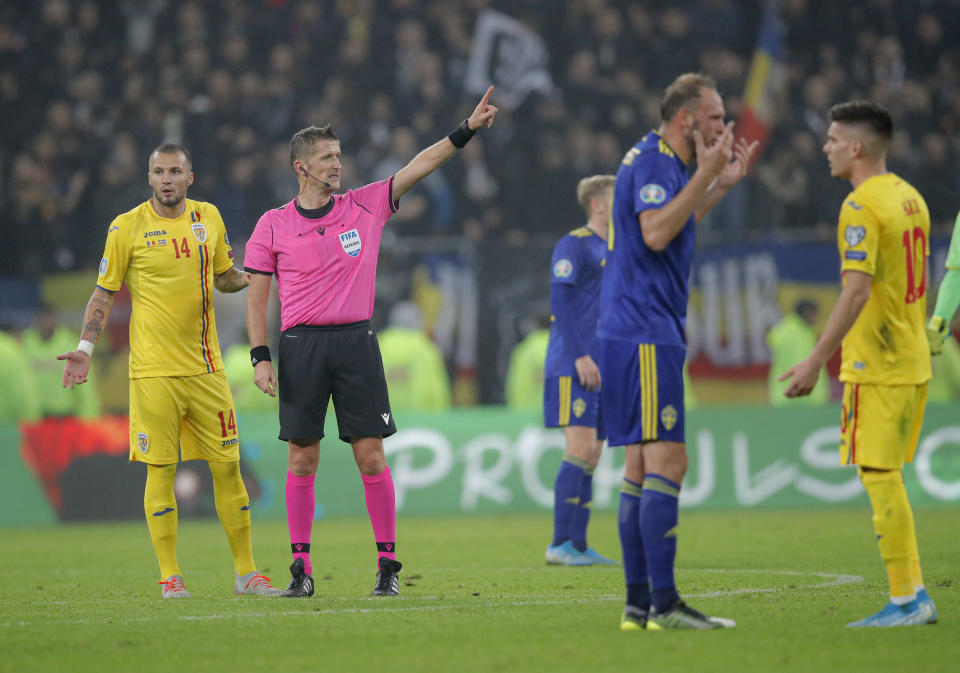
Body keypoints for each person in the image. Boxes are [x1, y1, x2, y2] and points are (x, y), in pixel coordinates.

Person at [244, 88, 498, 598]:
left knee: (371, 457)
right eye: (327, 158)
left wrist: (466, 129)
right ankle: (300, 569)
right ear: (301, 167)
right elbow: (257, 300)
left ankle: (387, 566)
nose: (337, 165)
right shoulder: (272, 224)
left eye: (339, 156)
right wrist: (261, 357)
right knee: (301, 459)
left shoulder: (365, 205)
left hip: (356, 345)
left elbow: (422, 163)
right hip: (300, 347)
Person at [59, 144, 282, 599]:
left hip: (206, 370)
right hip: (153, 374)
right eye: (158, 171)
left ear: (189, 178)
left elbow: (222, 277)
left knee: (228, 468)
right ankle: (169, 576)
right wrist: (85, 347)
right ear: (149, 178)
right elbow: (103, 294)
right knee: (160, 472)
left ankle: (247, 573)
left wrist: (255, 274)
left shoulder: (208, 218)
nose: (166, 179)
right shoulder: (126, 228)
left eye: (174, 171)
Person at [598, 72, 756, 630]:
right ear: (686, 118)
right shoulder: (657, 162)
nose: (723, 126)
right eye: (715, 117)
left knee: (640, 466)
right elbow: (657, 233)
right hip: (644, 327)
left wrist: (718, 185)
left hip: (633, 324)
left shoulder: (661, 161)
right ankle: (663, 603)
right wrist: (707, 173)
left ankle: (638, 607)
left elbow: (676, 222)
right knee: (669, 461)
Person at [780, 101, 937, 627]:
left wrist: (814, 361)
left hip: (879, 363)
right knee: (887, 473)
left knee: (880, 475)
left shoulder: (861, 205)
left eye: (830, 139)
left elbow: (855, 293)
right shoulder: (910, 197)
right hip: (911, 357)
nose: (824, 148)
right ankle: (913, 593)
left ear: (856, 147)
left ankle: (906, 599)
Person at [543, 174, 617, 567]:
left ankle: (580, 544)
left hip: (605, 366)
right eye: (614, 195)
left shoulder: (620, 248)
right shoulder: (574, 243)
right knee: (580, 447)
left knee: (594, 455)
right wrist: (579, 356)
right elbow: (561, 305)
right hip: (574, 364)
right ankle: (558, 544)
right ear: (597, 204)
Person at [23, 305, 100, 418]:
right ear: (36, 319)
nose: (45, 322)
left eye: (48, 318)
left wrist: (89, 418)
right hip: (34, 417)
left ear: (55, 319)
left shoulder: (72, 345)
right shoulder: (24, 344)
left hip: (65, 415)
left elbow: (85, 387)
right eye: (42, 318)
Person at [378, 301, 451, 411]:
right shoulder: (426, 348)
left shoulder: (378, 344)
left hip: (381, 420)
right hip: (419, 421)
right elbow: (437, 391)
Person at [766, 299, 829, 406]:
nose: (816, 319)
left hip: (782, 397)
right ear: (807, 313)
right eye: (814, 314)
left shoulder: (781, 331)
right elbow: (806, 364)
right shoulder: (803, 335)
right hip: (808, 396)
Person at [504, 317, 551, 411]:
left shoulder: (523, 349)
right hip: (552, 413)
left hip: (522, 411)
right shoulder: (562, 348)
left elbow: (514, 384)